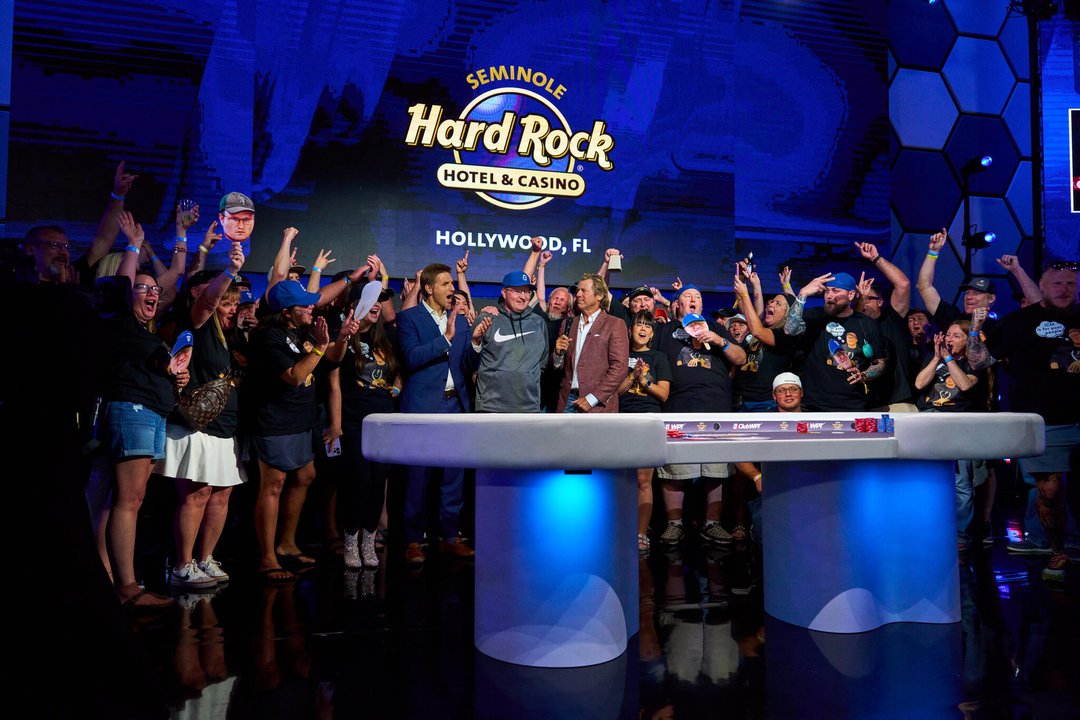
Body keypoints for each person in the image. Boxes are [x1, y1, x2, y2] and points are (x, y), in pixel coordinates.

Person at [99, 212, 190, 607]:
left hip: (150, 413)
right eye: (143, 288)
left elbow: (174, 276)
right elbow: (123, 287)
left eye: (155, 289)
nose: (153, 294)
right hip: (131, 411)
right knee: (129, 500)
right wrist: (133, 246)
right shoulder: (119, 320)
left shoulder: (146, 332)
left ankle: (111, 579)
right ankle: (127, 588)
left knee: (122, 500)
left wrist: (175, 377)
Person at [969, 262, 1079, 581]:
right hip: (1045, 422)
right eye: (1057, 283)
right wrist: (975, 329)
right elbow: (979, 361)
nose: (1064, 289)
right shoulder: (1018, 322)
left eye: (1071, 283)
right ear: (1041, 286)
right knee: (1049, 491)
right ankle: (1057, 552)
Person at [247, 279, 358, 581]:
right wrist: (321, 347)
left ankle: (287, 544)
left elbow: (331, 359)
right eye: (304, 304)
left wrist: (341, 338)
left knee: (305, 475)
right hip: (274, 420)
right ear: (286, 312)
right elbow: (295, 376)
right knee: (274, 484)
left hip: (301, 419)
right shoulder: (267, 337)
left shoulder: (302, 332)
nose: (311, 306)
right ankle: (267, 558)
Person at [158, 244, 249, 588]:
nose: (232, 307)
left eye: (234, 302)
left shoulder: (229, 335)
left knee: (221, 493)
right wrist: (230, 271)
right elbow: (208, 303)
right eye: (227, 301)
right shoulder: (196, 321)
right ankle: (182, 565)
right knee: (197, 493)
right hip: (196, 426)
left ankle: (205, 558)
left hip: (224, 426)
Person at [397, 263, 484, 564]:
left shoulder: (457, 318)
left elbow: (467, 365)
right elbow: (411, 358)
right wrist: (444, 339)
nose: (451, 289)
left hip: (454, 404)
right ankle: (413, 539)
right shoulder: (409, 318)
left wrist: (474, 342)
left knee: (453, 475)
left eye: (452, 283)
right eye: (446, 284)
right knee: (417, 475)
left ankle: (450, 536)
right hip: (422, 406)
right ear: (429, 288)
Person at [654, 285, 746, 546]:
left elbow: (740, 358)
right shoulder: (665, 331)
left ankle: (712, 524)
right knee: (675, 469)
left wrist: (720, 341)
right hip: (678, 406)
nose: (693, 299)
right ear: (677, 305)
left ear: (702, 306)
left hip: (716, 406)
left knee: (716, 469)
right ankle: (674, 524)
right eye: (687, 296)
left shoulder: (716, 329)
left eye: (697, 297)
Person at [327, 282, 402, 569]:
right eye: (371, 299)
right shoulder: (344, 337)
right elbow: (332, 368)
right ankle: (350, 540)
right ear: (355, 305)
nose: (377, 304)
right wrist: (336, 424)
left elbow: (400, 371)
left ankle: (368, 541)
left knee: (378, 483)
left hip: (383, 422)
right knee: (358, 482)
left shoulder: (386, 338)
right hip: (354, 421)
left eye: (381, 299)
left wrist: (395, 389)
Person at [914, 320, 988, 551]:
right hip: (929, 420)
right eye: (947, 334)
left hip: (957, 423)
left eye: (956, 336)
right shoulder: (933, 358)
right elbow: (919, 384)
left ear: (968, 340)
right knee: (926, 478)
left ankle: (961, 537)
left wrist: (948, 359)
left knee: (961, 483)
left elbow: (964, 385)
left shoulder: (974, 363)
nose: (949, 339)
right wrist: (937, 357)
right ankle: (929, 530)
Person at [783, 271, 886, 410]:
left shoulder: (867, 324)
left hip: (853, 405)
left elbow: (879, 362)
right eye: (827, 291)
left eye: (835, 291)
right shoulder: (815, 316)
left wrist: (864, 375)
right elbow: (789, 330)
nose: (829, 296)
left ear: (851, 295)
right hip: (815, 405)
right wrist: (802, 294)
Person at [618, 311, 672, 554]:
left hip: (647, 423)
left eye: (647, 326)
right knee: (619, 481)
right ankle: (619, 531)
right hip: (620, 422)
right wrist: (632, 376)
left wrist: (644, 380)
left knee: (643, 481)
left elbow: (663, 394)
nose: (642, 329)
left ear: (652, 333)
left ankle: (641, 534)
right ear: (630, 330)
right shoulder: (620, 354)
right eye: (638, 324)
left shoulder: (659, 357)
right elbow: (612, 391)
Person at [472, 271, 549, 413]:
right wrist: (475, 341)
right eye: (517, 291)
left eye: (527, 292)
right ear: (504, 292)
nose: (523, 296)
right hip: (491, 406)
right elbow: (469, 362)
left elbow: (542, 363)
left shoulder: (539, 323)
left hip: (528, 406)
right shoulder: (487, 320)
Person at [552, 273, 629, 413]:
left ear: (599, 296)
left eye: (584, 291)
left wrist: (592, 398)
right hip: (567, 400)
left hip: (598, 405)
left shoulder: (614, 324)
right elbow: (560, 368)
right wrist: (557, 354)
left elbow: (619, 368)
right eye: (578, 291)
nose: (578, 294)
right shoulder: (568, 324)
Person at [852, 242, 916, 409]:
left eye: (867, 298)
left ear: (880, 302)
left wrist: (875, 258)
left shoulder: (892, 318)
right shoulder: (853, 325)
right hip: (862, 403)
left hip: (897, 401)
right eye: (859, 299)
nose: (862, 302)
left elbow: (903, 284)